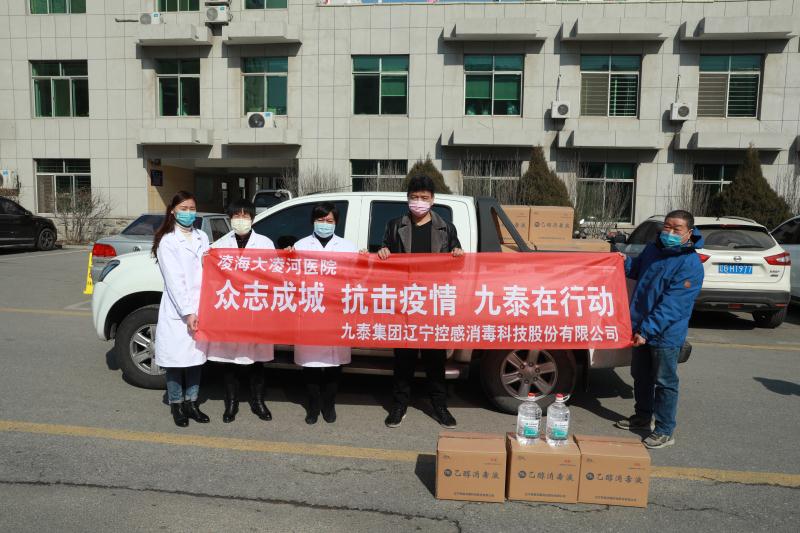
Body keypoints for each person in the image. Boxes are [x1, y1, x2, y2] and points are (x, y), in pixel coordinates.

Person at [377, 175, 464, 429]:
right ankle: (399, 406)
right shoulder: (395, 226)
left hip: (433, 303)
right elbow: (385, 255)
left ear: (433, 200)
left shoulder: (446, 228)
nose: (419, 202)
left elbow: (457, 262)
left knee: (435, 361)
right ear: (407, 199)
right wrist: (383, 252)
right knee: (403, 359)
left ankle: (440, 406)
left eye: (424, 197)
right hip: (405, 302)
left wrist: (458, 254)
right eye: (414, 197)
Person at [615, 210, 704, 449]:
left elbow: (672, 306)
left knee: (664, 381)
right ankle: (642, 416)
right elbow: (637, 271)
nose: (670, 232)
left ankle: (664, 430)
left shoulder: (690, 264)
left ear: (689, 233)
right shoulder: (653, 250)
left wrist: (647, 331)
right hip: (640, 327)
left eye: (677, 229)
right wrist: (624, 262)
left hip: (665, 333)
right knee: (640, 375)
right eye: (667, 227)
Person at [200, 198, 275, 424]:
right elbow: (211, 277)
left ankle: (258, 402)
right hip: (231, 309)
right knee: (230, 361)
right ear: (230, 218)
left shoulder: (265, 243)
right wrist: (206, 260)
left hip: (255, 308)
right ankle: (231, 404)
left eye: (245, 216)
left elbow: (274, 274)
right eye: (236, 216)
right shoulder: (220, 245)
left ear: (252, 218)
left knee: (257, 361)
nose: (241, 220)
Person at [291, 202, 358, 424]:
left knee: (333, 364)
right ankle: (313, 405)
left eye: (329, 220)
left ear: (336, 223)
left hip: (336, 312)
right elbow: (291, 278)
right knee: (310, 364)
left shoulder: (348, 247)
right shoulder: (300, 246)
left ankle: (329, 404)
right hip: (309, 311)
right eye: (320, 220)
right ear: (313, 221)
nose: (325, 224)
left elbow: (357, 277)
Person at [152, 191, 211, 427]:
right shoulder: (167, 241)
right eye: (183, 209)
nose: (188, 213)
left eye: (192, 209)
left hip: (202, 305)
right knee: (176, 361)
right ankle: (176, 404)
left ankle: (192, 403)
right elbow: (175, 281)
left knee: (195, 359)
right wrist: (187, 312)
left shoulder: (202, 236)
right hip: (179, 310)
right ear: (173, 211)